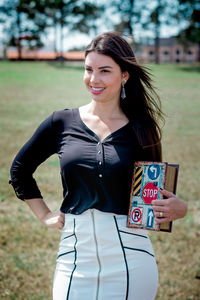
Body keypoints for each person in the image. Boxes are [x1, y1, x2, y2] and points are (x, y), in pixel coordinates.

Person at [9, 32, 187, 300]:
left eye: (105, 70)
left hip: (131, 257)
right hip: (74, 256)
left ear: (124, 75)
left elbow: (151, 198)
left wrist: (179, 208)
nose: (94, 79)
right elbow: (20, 170)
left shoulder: (142, 129)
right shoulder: (61, 122)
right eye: (89, 69)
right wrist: (45, 215)